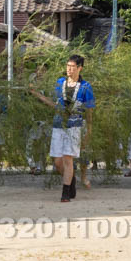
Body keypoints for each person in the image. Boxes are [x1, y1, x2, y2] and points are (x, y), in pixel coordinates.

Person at [31, 54, 95, 202]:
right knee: (57, 160)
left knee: (68, 158)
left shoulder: (86, 87)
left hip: (74, 126)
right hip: (58, 124)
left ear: (80, 68)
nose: (69, 70)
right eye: (68, 66)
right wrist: (37, 95)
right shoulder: (60, 83)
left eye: (72, 67)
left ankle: (65, 192)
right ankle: (71, 180)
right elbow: (55, 104)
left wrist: (89, 129)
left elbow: (90, 110)